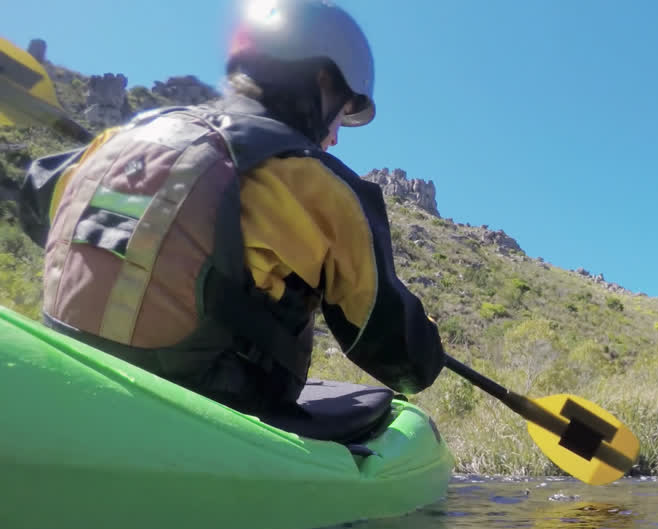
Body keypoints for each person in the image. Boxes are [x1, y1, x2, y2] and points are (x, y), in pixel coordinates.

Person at [17, 0, 444, 418]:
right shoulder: (318, 184)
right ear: (321, 83)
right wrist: (429, 347)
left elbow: (36, 201)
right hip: (203, 412)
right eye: (342, 112)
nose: (335, 137)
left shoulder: (120, 139)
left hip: (64, 380)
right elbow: (403, 361)